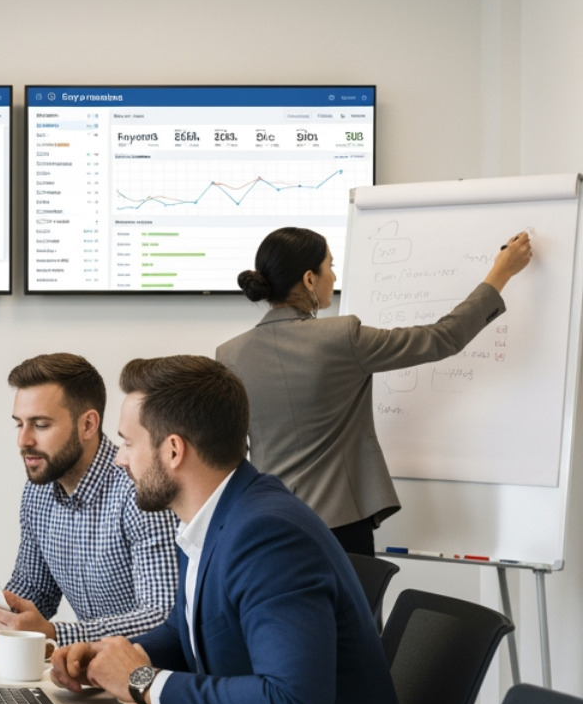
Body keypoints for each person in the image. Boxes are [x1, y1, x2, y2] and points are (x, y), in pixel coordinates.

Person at [49, 355, 404, 704]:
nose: (118, 459)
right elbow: (187, 631)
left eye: (128, 443)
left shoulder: (267, 534)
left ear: (173, 451)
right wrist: (110, 660)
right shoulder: (213, 516)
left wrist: (142, 682)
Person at [216, 226, 534, 555]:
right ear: (309, 279)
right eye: (331, 266)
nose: (334, 277)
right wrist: (501, 272)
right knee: (354, 608)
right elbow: (442, 337)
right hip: (339, 528)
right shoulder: (341, 338)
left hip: (268, 527)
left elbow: (232, 455)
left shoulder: (229, 355)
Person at [0, 353, 179, 646]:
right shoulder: (39, 491)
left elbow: (163, 616)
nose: (23, 441)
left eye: (41, 425)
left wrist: (57, 635)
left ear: (88, 425)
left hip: (151, 673)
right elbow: (35, 590)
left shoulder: (139, 490)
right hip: (94, 671)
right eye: (19, 424)